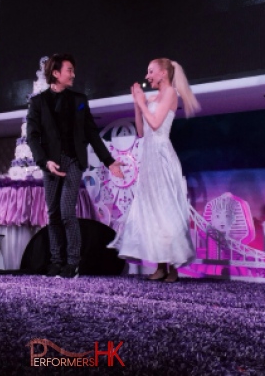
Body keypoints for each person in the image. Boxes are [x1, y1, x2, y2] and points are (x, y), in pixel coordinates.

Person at [26, 53, 124, 278]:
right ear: (56, 73)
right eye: (69, 70)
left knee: (67, 212)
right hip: (50, 164)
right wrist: (44, 161)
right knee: (53, 214)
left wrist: (108, 161)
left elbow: (90, 132)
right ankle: (56, 261)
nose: (73, 74)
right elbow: (33, 136)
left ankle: (73, 262)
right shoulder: (37, 103)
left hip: (72, 162)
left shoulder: (79, 100)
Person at [113, 58, 200, 282]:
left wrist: (142, 103)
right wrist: (137, 104)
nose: (147, 76)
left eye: (151, 71)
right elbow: (141, 131)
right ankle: (161, 265)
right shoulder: (152, 97)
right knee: (152, 210)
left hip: (162, 156)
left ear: (163, 73)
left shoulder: (171, 92)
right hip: (149, 158)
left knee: (166, 208)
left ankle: (173, 267)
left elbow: (155, 123)